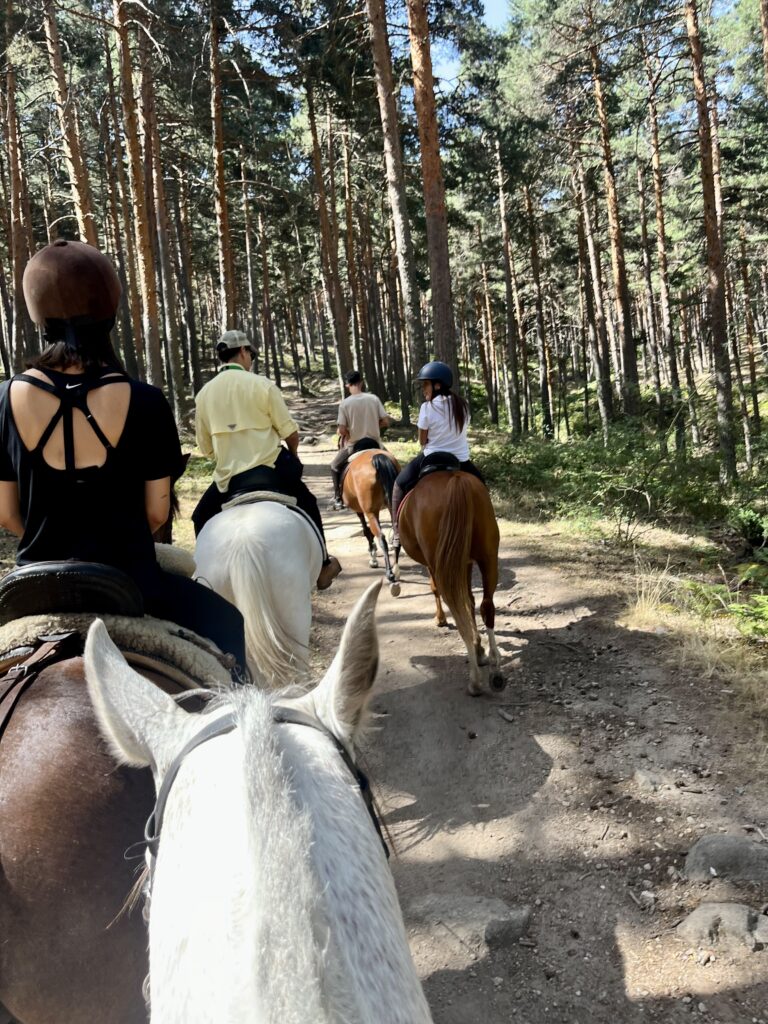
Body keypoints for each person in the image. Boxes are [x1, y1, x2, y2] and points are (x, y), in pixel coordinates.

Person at [0, 239, 247, 673]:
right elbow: (156, 513)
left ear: (38, 315)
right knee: (229, 624)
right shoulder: (146, 401)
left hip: (35, 585)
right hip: (130, 582)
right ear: (108, 312)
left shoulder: (3, 399)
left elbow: (7, 515)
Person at [192, 331, 342, 590]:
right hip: (269, 469)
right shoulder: (262, 385)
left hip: (229, 479)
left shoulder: (204, 395)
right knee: (308, 501)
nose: (250, 358)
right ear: (242, 352)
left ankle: (203, 582)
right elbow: (290, 433)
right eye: (250, 353)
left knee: (199, 516)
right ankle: (323, 566)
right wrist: (293, 453)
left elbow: (206, 449)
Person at [390, 361, 484, 544]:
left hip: (432, 457)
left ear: (437, 385)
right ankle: (487, 523)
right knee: (482, 487)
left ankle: (397, 530)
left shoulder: (428, 407)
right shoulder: (462, 405)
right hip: (461, 460)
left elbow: (422, 440)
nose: (424, 389)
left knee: (399, 484)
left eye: (426, 384)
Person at [330, 369, 390, 510]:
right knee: (393, 463)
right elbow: (386, 421)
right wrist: (374, 425)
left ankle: (338, 498)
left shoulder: (345, 404)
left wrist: (347, 430)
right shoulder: (373, 399)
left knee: (333, 466)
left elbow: (343, 429)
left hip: (355, 445)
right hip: (375, 443)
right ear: (361, 383)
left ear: (347, 385)